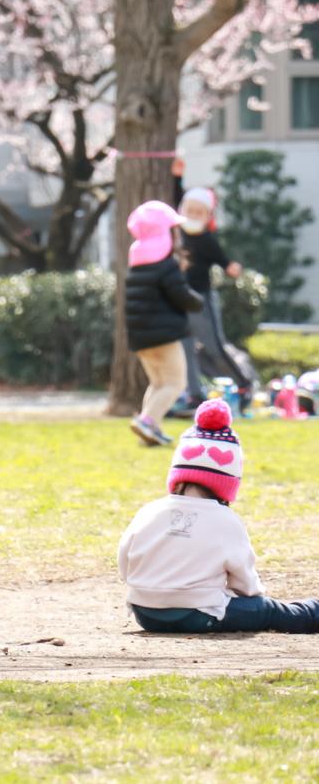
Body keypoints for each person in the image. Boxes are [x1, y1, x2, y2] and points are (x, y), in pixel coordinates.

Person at [118, 399, 319, 634]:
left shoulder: (149, 511)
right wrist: (247, 597)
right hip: (197, 614)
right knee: (270, 610)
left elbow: (125, 560)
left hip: (146, 613)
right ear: (228, 481)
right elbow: (245, 582)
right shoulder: (226, 521)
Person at [125, 201, 203, 446]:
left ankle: (151, 429)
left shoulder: (136, 264)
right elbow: (181, 296)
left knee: (158, 383)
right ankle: (147, 421)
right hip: (164, 337)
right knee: (175, 383)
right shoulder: (167, 266)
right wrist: (197, 301)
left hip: (141, 338)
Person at [178, 188, 250, 407]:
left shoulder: (207, 240)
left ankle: (243, 383)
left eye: (199, 212)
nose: (193, 215)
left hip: (201, 300)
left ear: (207, 216)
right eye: (190, 210)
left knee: (214, 347)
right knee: (186, 348)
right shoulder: (176, 234)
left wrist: (231, 268)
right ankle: (194, 393)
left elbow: (223, 261)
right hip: (179, 299)